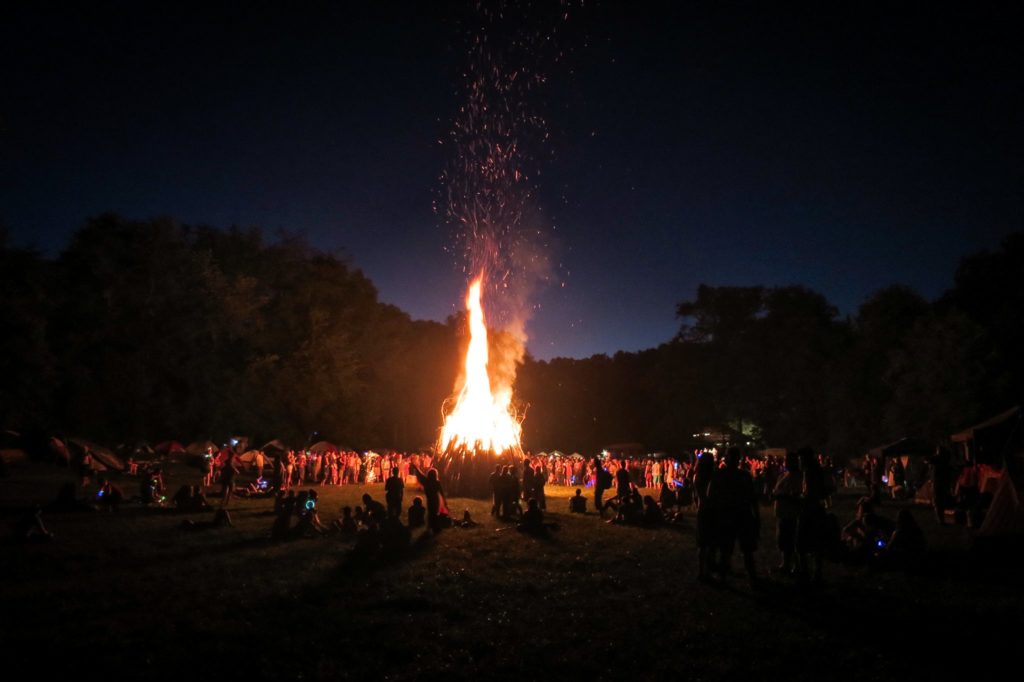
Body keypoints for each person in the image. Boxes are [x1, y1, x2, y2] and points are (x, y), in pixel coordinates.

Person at [706, 447, 760, 586]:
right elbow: (753, 498)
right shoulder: (743, 475)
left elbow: (710, 495)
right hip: (739, 515)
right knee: (738, 549)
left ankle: (726, 576)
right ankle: (751, 576)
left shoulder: (720, 475)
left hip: (730, 515)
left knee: (728, 549)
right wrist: (756, 516)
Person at [771, 452, 802, 574]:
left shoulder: (799, 477)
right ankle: (785, 564)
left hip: (791, 514)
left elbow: (796, 495)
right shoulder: (783, 475)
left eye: (788, 460)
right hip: (782, 512)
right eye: (785, 460)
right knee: (782, 540)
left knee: (791, 540)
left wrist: (782, 496)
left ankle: (796, 565)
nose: (786, 462)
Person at [409, 463, 446, 533]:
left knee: (431, 513)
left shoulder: (426, 481)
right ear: (436, 475)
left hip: (429, 500)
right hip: (435, 500)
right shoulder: (436, 482)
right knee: (434, 513)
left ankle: (431, 527)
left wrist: (416, 468)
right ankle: (435, 528)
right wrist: (444, 501)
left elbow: (420, 475)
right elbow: (441, 492)